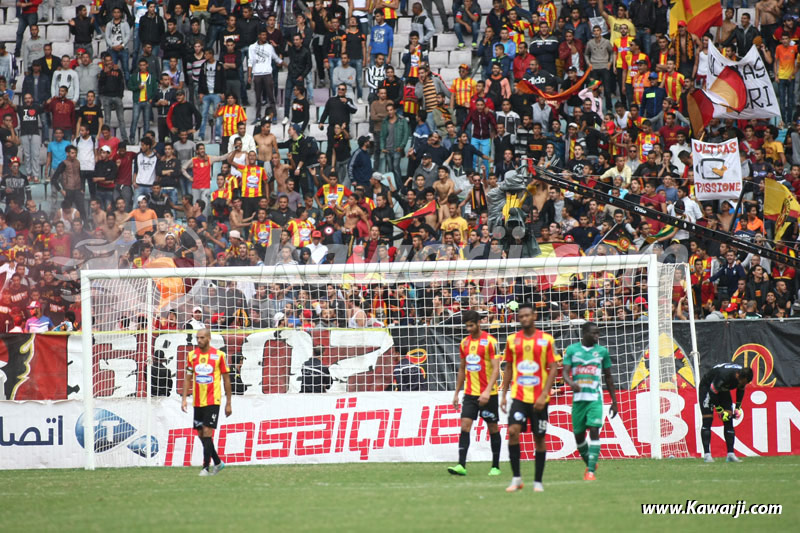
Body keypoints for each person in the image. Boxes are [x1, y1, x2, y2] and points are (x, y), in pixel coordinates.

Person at [496, 302, 558, 493]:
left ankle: (538, 481)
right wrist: (504, 394)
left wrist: (545, 394)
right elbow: (508, 367)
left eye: (527, 315)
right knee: (513, 432)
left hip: (540, 399)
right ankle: (516, 479)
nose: (523, 319)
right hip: (519, 397)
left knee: (539, 438)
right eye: (521, 316)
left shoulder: (546, 340)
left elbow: (553, 367)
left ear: (534, 316)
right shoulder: (512, 340)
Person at [447, 310, 502, 477]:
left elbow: (496, 369)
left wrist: (487, 391)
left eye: (471, 325)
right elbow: (462, 369)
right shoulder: (464, 343)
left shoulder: (491, 341)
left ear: (479, 323)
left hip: (489, 394)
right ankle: (461, 465)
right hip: (470, 394)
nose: (469, 329)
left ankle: (495, 466)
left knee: (493, 428)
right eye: (467, 326)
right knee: (465, 425)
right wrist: (456, 393)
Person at [562, 321, 618, 481]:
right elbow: (565, 372)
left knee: (594, 430)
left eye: (598, 333)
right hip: (579, 401)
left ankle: (590, 472)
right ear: (584, 333)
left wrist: (614, 402)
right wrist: (571, 383)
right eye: (594, 333)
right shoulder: (572, 350)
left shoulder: (602, 352)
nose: (597, 336)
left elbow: (608, 377)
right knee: (579, 437)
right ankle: (590, 461)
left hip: (595, 399)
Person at [181, 328, 231, 476]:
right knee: (201, 434)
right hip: (197, 401)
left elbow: (226, 380)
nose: (199, 340)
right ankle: (218, 462)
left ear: (209, 338)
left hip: (213, 400)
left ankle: (205, 468)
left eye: (202, 337)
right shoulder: (192, 355)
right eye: (197, 338)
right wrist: (184, 399)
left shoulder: (219, 355)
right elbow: (188, 378)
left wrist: (228, 402)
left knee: (208, 432)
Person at [699, 362, 754, 463]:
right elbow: (713, 392)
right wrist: (720, 410)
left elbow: (741, 389)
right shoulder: (724, 375)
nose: (742, 385)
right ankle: (707, 455)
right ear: (738, 376)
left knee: (728, 419)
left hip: (723, 389)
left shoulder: (742, 376)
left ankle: (730, 454)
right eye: (742, 382)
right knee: (707, 419)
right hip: (708, 387)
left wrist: (737, 408)